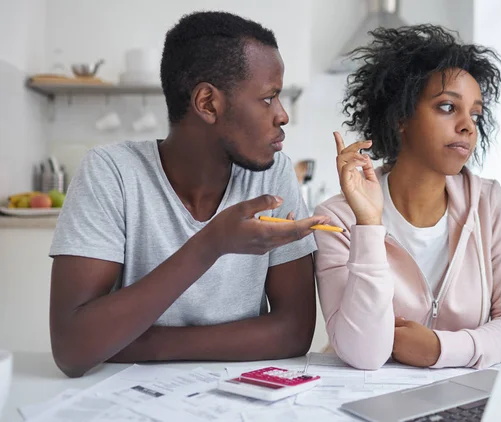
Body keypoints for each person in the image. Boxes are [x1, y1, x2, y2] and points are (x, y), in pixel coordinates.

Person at [49, 11, 331, 378]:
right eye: (268, 98)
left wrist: (138, 342)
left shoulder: (274, 175)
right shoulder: (112, 172)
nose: (282, 115)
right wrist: (211, 244)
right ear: (208, 103)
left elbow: (293, 333)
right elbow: (72, 349)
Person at [314, 25, 501, 370]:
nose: (468, 126)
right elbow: (364, 353)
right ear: (401, 117)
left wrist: (440, 349)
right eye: (448, 107)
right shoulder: (338, 219)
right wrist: (369, 224)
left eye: (475, 114)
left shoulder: (489, 204)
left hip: (464, 398)